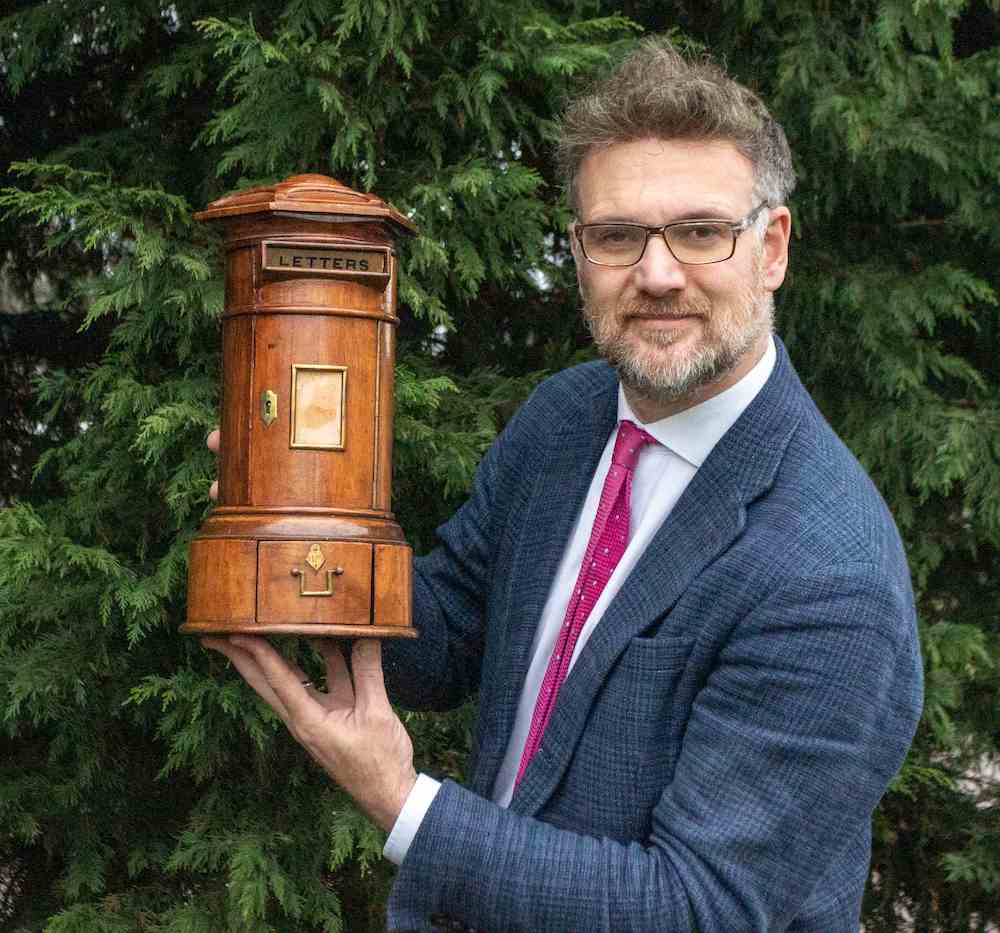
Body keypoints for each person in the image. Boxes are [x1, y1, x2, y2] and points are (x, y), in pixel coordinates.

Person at [203, 38, 924, 933]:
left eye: (701, 231)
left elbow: (697, 908)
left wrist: (403, 802)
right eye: (618, 235)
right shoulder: (566, 417)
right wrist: (290, 506)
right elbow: (440, 638)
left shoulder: (830, 569)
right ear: (579, 250)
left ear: (771, 247)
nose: (657, 274)